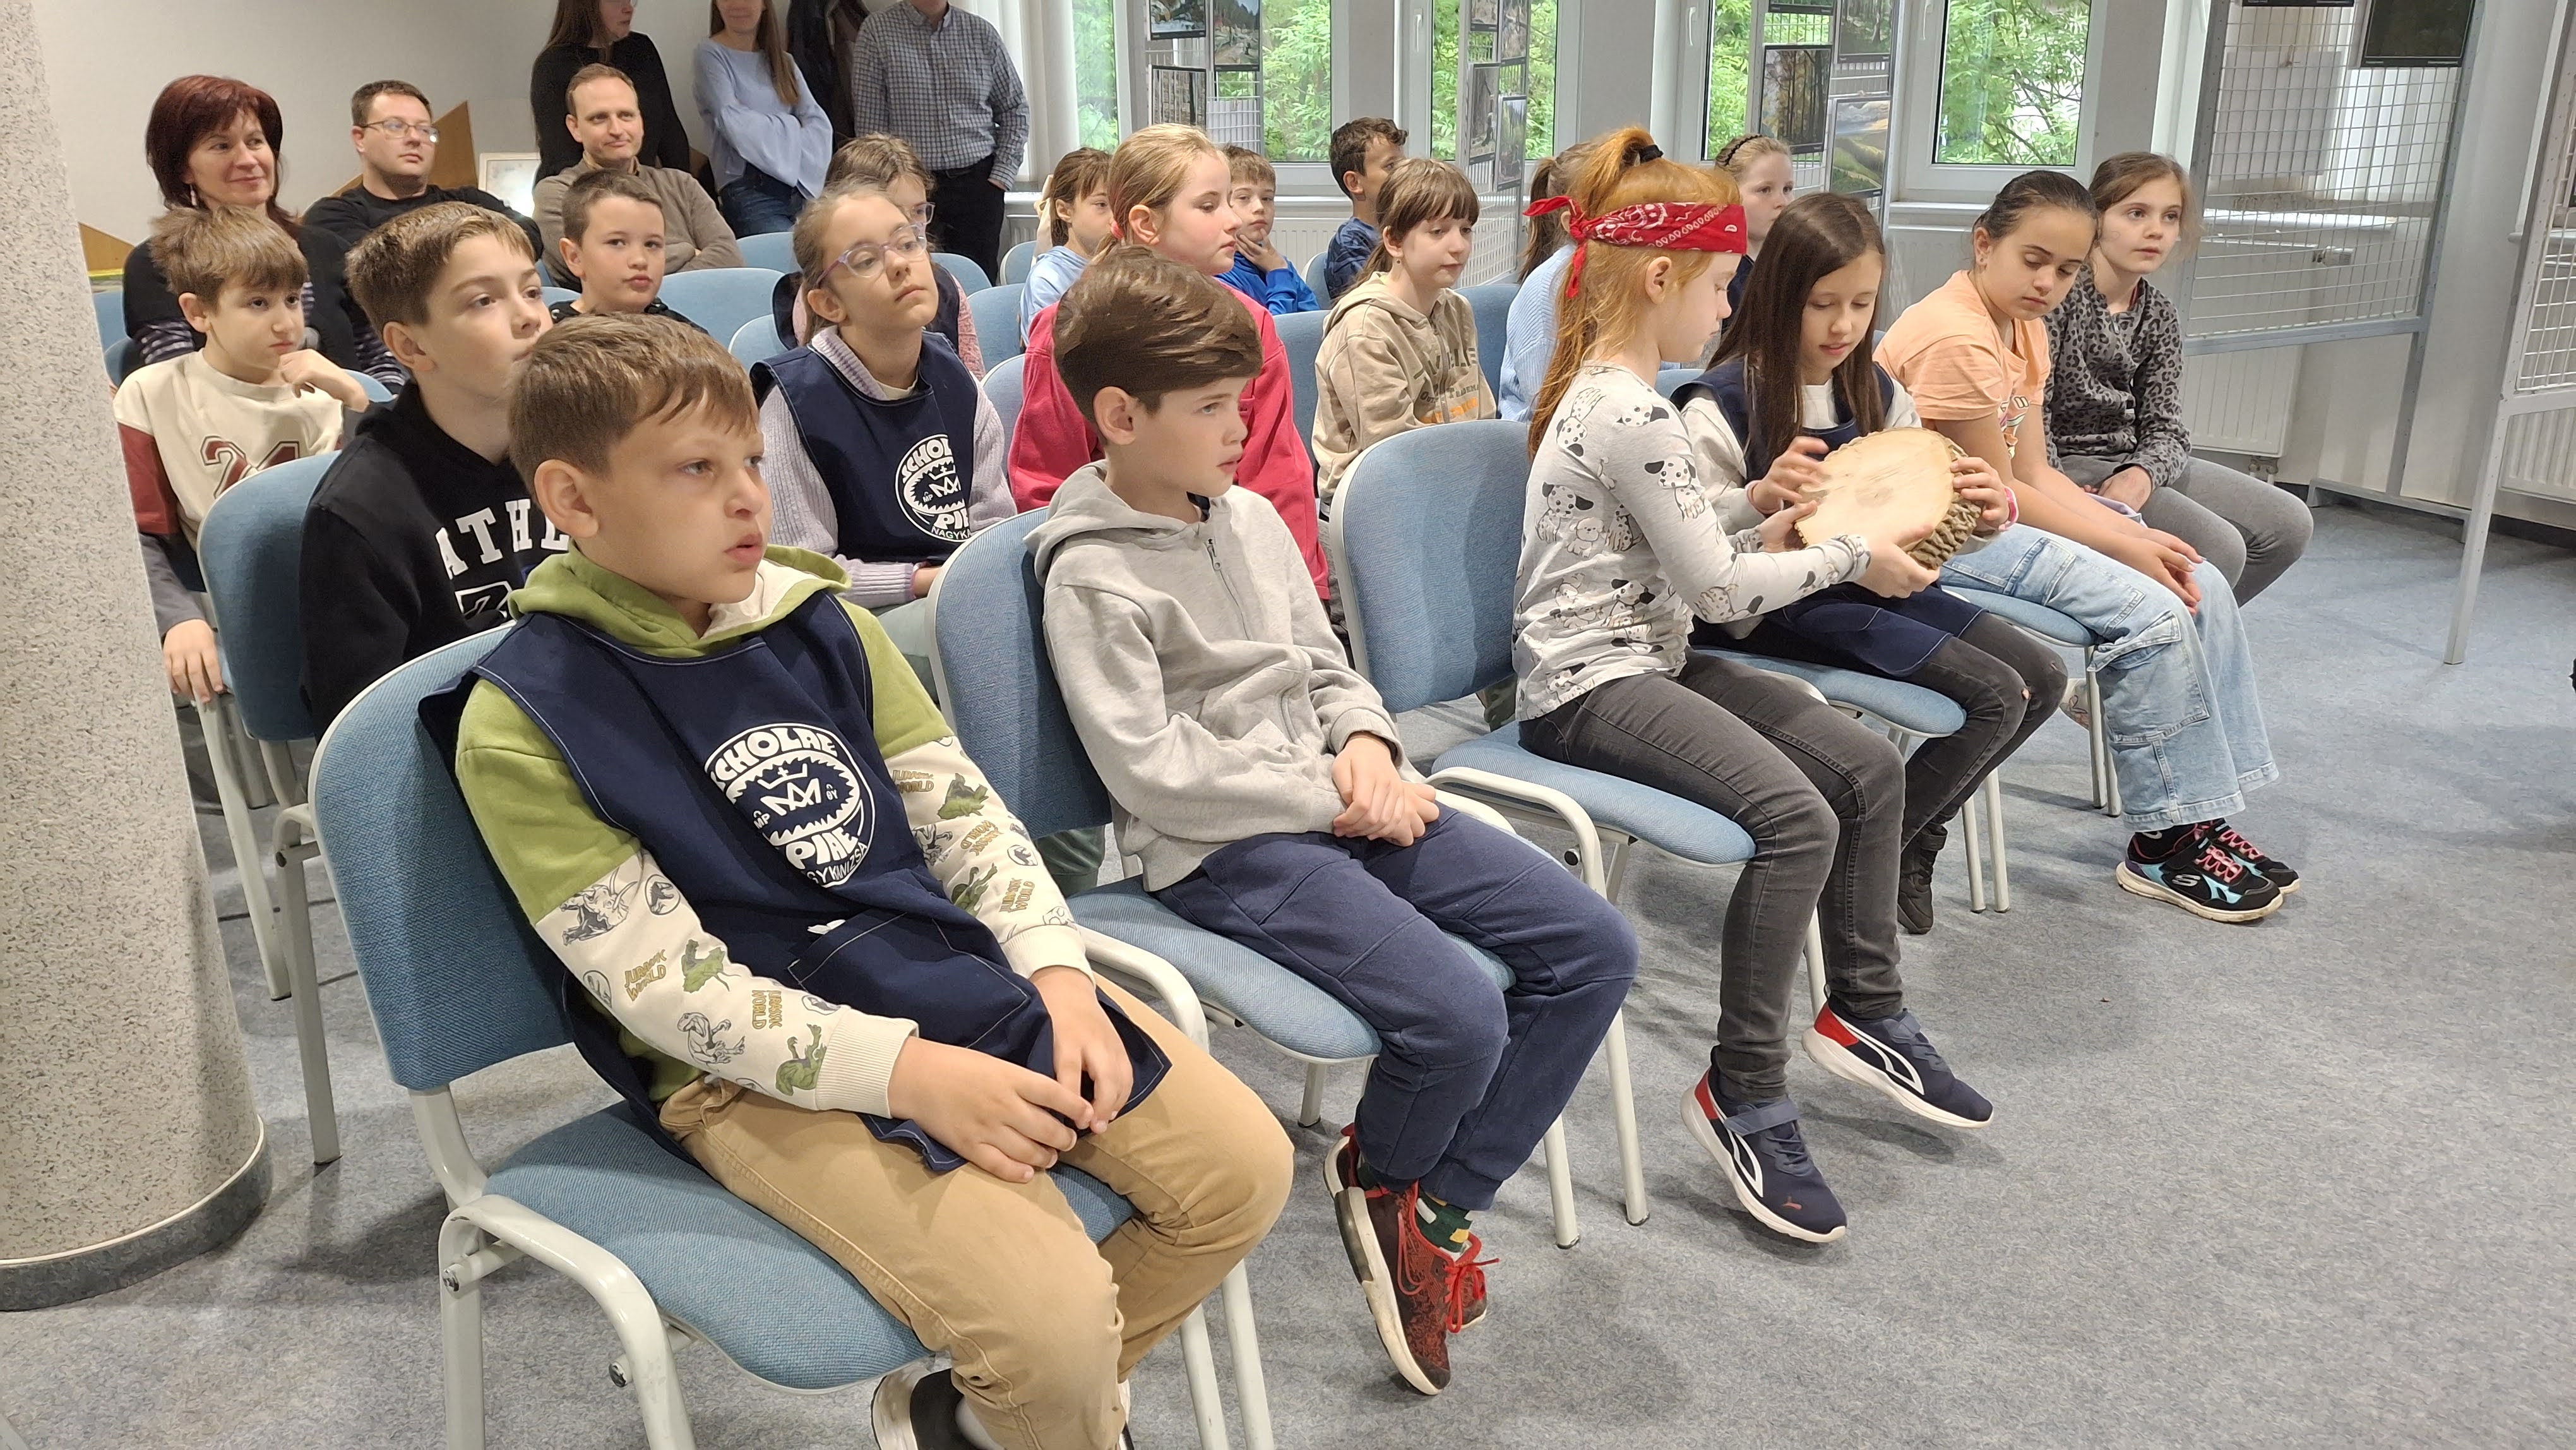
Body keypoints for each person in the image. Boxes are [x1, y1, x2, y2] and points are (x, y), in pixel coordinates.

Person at [450, 313, 1289, 1450]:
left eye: (751, 461)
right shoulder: (522, 721)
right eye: (696, 470)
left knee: (1243, 1172)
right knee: (1050, 1325)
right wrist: (910, 1075)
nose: (749, 499)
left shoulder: (822, 620)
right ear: (574, 498)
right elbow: (670, 996)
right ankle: (1043, 1407)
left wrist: (1058, 976)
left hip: (929, 972)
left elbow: (968, 824)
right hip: (741, 1071)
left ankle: (987, 1421)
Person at [1028, 248, 1635, 1396]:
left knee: (1593, 946)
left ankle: (1432, 1201)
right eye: (1213, 407)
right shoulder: (1089, 573)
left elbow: (1324, 662)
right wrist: (1335, 790)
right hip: (1222, 850)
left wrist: (1366, 743)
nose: (1243, 425)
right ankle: (1385, 1178)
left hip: (1339, 796)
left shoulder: (1251, 516)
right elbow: (1154, 773)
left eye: (1243, 399)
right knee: (1456, 1015)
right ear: (1120, 416)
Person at [1512, 129, 1994, 1247]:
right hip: (1584, 685)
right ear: (1662, 278)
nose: (1730, 307)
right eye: (1723, 284)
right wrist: (1851, 554)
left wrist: (1757, 503)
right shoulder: (1630, 408)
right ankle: (1744, 1087)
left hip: (1649, 653)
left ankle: (1866, 1009)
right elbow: (1723, 592)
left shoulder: (1625, 395)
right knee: (1795, 816)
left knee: (1865, 769)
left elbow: (1676, 541)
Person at [1880, 170, 2297, 923]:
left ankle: (2203, 814)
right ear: (1984, 243)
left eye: (2067, 269)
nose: (2048, 282)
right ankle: (2164, 840)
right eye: (2033, 260)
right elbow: (2008, 496)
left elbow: (2036, 471)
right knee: (2152, 608)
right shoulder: (1955, 334)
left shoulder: (2024, 324)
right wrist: (2125, 548)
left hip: (1999, 512)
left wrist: (2134, 532)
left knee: (2197, 573)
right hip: (1947, 534)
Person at [1678, 193, 2056, 933]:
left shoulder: (1876, 389)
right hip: (1777, 605)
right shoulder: (1720, 403)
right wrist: (1760, 504)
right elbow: (1696, 549)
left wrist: (1981, 516)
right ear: (1778, 296)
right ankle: (1878, 860)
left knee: (2040, 678)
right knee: (1994, 695)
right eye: (1822, 305)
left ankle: (1907, 841)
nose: (1843, 326)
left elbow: (1923, 525)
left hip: (1872, 583)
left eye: (1860, 304)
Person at [1009, 125, 1325, 601]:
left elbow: (1279, 477)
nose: (1233, 220)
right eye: (1209, 205)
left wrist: (1303, 595)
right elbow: (1047, 486)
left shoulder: (1253, 322)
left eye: (1230, 201)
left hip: (1240, 564)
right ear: (1146, 223)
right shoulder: (1072, 330)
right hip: (1122, 575)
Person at [301, 203, 565, 728]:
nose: (530, 317)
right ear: (410, 345)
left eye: (532, 291)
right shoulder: (359, 513)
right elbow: (360, 734)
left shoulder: (582, 441)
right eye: (484, 300)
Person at [756, 183, 1007, 686]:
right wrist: (922, 581)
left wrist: (965, 581)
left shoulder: (955, 377)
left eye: (908, 242)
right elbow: (802, 572)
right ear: (828, 303)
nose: (899, 265)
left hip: (954, 592)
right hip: (855, 618)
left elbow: (992, 524)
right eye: (866, 260)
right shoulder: (794, 402)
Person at [119, 208, 367, 707]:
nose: (285, 322)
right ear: (198, 312)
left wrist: (357, 402)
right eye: (257, 303)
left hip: (343, 599)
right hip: (237, 610)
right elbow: (134, 533)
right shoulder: (151, 394)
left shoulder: (331, 392)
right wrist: (178, 616)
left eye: (292, 299)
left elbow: (382, 515)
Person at [2048, 152, 2312, 602]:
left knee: (2289, 524)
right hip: (2068, 463)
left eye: (2170, 217)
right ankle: (2157, 635)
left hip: (2132, 459)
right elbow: (2029, 424)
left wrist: (2142, 474)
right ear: (2096, 218)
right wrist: (2071, 500)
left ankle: (2186, 633)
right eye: (2136, 213)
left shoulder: (2159, 313)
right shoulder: (2057, 299)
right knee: (2217, 549)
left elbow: (2166, 427)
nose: (2156, 231)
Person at [121, 76, 405, 392]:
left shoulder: (330, 248)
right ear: (183, 169)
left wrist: (371, 410)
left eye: (256, 142)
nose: (247, 160)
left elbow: (382, 364)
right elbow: (177, 390)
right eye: (221, 146)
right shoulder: (158, 264)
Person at [1311, 157, 1493, 506]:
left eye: (1466, 229)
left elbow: (1480, 411)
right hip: (1375, 498)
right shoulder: (1365, 329)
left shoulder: (1457, 310)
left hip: (1450, 479)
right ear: (1394, 241)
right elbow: (1393, 451)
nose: (1459, 246)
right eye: (1438, 231)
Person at [844, 0, 1029, 280]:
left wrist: (1001, 176)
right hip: (910, 190)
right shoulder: (877, 32)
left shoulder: (981, 33)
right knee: (915, 276)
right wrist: (885, 192)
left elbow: (1015, 109)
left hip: (978, 187)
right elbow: (872, 127)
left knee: (977, 278)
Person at [533, 66, 744, 282]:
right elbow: (594, 268)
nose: (616, 130)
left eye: (626, 115)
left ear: (640, 121)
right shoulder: (558, 194)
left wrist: (646, 280)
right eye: (599, 118)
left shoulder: (681, 184)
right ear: (575, 128)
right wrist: (686, 251)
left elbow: (729, 257)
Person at [802, 134, 983, 374]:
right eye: (867, 260)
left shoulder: (944, 286)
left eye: (918, 211)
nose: (912, 226)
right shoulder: (827, 297)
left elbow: (972, 376)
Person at [304, 81, 543, 258]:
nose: (415, 138)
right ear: (360, 138)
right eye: (395, 126)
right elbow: (381, 269)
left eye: (425, 130)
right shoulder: (333, 216)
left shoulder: (469, 200)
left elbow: (528, 236)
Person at [696, 0, 834, 236]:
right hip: (750, 191)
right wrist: (794, 126)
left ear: (764, 5)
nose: (738, 4)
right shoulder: (709, 54)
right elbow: (735, 125)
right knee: (783, 258)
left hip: (801, 190)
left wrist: (762, 124)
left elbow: (819, 125)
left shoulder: (784, 62)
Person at [530, 0, 693, 178]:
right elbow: (559, 155)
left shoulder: (641, 49)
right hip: (580, 187)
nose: (628, 9)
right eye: (616, 1)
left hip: (640, 183)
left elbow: (670, 132)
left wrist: (681, 186)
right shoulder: (553, 64)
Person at [1498, 141, 1592, 421]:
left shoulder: (1631, 278)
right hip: (1541, 437)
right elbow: (1548, 406)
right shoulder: (1546, 289)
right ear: (1572, 222)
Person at [547, 169, 703, 332]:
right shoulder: (550, 338)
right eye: (617, 243)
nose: (640, 260)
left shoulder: (684, 334)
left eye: (652, 244)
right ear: (574, 257)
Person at [1019, 147, 1114, 344]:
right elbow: (1050, 354)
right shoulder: (1048, 279)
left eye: (1119, 204)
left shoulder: (1126, 264)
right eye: (1102, 205)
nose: (1115, 217)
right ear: (1064, 211)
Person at [1219, 145, 1319, 316]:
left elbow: (1313, 321)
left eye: (1267, 198)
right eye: (1244, 198)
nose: (1259, 207)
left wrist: (1279, 268)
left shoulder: (1277, 261)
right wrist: (1277, 273)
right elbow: (1276, 329)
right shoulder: (1220, 273)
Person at [1322, 117, 1406, 301]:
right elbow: (1373, 304)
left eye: (1404, 164)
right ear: (1354, 183)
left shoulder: (1404, 230)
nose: (1404, 173)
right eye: (1391, 166)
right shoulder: (1350, 242)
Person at [1712, 133, 1792, 317]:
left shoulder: (1788, 261)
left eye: (1787, 189)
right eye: (1765, 190)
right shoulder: (1718, 273)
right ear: (1728, 193)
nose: (1782, 202)